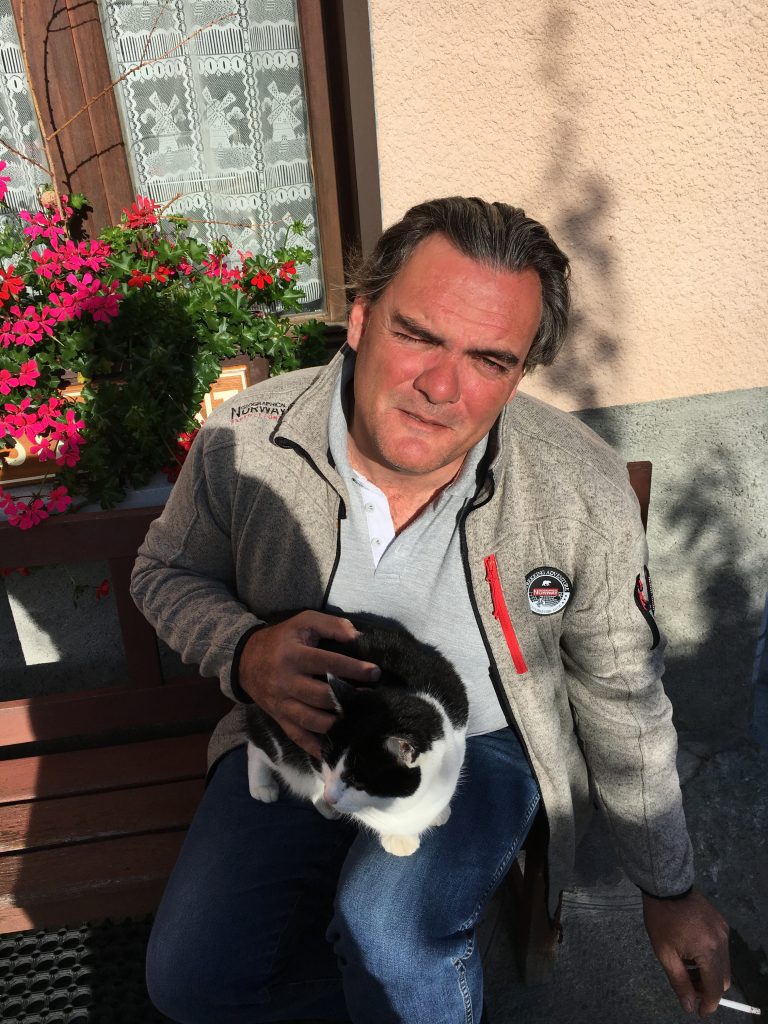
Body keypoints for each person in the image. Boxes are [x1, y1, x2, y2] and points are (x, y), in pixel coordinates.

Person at [131, 198, 730, 1024]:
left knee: (390, 935)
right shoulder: (249, 438)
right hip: (295, 731)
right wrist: (243, 651)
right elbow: (165, 570)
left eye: (490, 359)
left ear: (520, 373)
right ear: (361, 318)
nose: (441, 387)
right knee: (192, 980)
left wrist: (670, 887)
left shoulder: (579, 486)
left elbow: (621, 688)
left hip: (483, 741)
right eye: (417, 335)